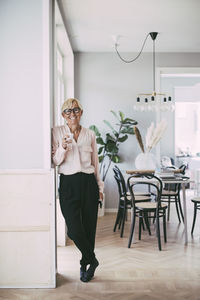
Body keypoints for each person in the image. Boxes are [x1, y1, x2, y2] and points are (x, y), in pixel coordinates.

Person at [52, 98, 104, 282]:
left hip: (88, 182)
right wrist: (63, 148)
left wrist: (99, 187)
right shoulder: (56, 132)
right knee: (73, 229)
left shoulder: (89, 134)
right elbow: (55, 162)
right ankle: (93, 259)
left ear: (81, 112)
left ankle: (85, 263)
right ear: (63, 115)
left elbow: (95, 163)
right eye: (68, 111)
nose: (72, 114)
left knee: (89, 227)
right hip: (68, 184)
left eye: (75, 110)